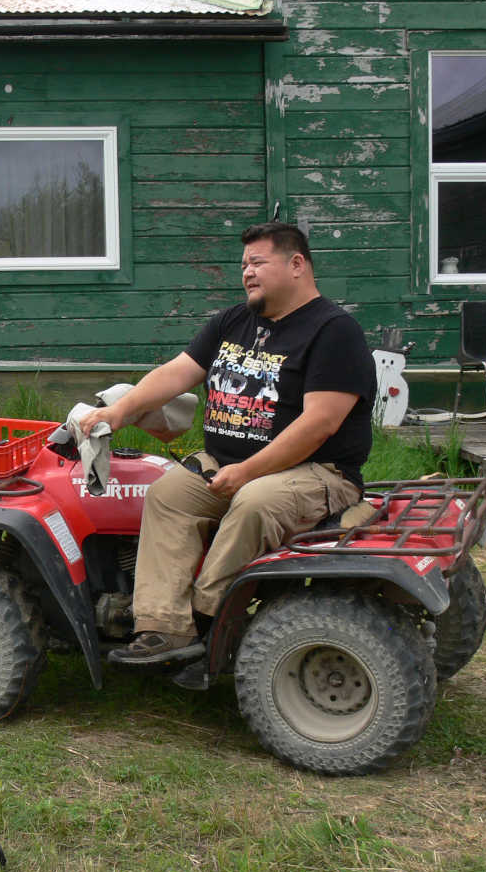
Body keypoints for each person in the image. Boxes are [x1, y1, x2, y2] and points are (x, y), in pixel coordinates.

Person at [78, 222, 375, 665]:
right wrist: (118, 412)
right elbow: (176, 373)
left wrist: (248, 471)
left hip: (316, 473)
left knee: (254, 502)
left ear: (296, 265)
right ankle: (163, 627)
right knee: (168, 495)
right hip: (226, 465)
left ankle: (208, 619)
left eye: (258, 262)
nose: (247, 273)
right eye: (243, 265)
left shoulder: (334, 331)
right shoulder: (234, 321)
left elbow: (319, 424)